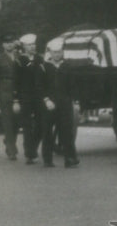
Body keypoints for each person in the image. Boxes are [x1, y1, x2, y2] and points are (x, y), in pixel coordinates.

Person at [38, 37, 79, 168]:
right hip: (49, 104)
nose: (57, 54)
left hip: (64, 103)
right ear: (50, 53)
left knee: (67, 131)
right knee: (47, 132)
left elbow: (72, 85)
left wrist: (75, 101)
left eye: (60, 52)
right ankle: (47, 159)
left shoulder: (67, 67)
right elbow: (40, 86)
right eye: (55, 52)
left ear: (63, 52)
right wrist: (46, 100)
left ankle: (70, 158)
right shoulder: (44, 67)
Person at [0, 34, 21, 161]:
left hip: (18, 94)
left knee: (16, 123)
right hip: (5, 93)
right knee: (8, 122)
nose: (9, 45)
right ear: (3, 45)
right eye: (7, 43)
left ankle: (9, 142)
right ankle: (11, 149)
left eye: (11, 42)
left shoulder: (19, 58)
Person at [16, 33, 42, 165]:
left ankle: (33, 148)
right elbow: (17, 81)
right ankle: (29, 153)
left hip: (39, 96)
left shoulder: (39, 59)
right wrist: (16, 99)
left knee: (41, 124)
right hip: (25, 96)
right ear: (24, 47)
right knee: (27, 126)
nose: (33, 47)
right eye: (29, 45)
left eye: (34, 44)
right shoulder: (20, 61)